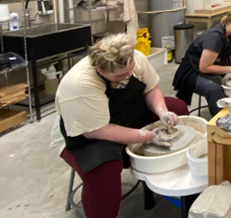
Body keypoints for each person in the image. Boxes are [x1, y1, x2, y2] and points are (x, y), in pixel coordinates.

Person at [50, 34, 189, 218]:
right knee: (103, 169)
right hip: (86, 131)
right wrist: (147, 135)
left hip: (127, 112)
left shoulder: (134, 58)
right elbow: (97, 130)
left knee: (176, 108)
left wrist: (162, 111)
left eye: (130, 70)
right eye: (122, 75)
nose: (129, 75)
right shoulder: (78, 85)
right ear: (100, 70)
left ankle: (169, 178)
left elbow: (151, 88)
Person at [173, 9, 231, 116]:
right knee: (214, 88)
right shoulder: (215, 37)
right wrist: (230, 69)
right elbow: (204, 67)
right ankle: (220, 121)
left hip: (209, 66)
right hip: (192, 71)